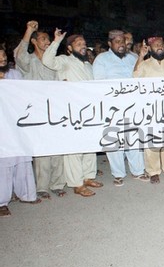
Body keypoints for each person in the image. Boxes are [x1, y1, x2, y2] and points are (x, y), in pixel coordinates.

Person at [42, 29, 103, 197]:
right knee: (75, 148)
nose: (83, 46)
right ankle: (77, 183)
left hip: (89, 112)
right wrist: (57, 41)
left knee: (90, 145)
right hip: (71, 112)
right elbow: (47, 60)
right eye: (78, 44)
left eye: (84, 44)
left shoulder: (88, 65)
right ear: (69, 48)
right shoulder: (64, 61)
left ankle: (88, 176)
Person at [14, 20, 67, 200]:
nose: (46, 42)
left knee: (58, 147)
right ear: (35, 42)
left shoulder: (52, 62)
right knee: (43, 150)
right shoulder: (29, 61)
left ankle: (58, 183)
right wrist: (29, 31)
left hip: (55, 109)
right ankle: (43, 186)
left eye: (48, 39)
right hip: (36, 111)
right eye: (43, 39)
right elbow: (19, 55)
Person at [93, 29, 149, 186]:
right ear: (110, 43)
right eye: (117, 42)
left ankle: (138, 171)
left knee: (134, 137)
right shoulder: (101, 59)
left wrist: (141, 58)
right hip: (113, 107)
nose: (121, 44)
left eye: (123, 41)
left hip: (133, 105)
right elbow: (99, 83)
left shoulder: (133, 58)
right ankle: (118, 174)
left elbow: (138, 76)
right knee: (114, 139)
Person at [133, 36, 164, 184]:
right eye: (156, 45)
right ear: (150, 49)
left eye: (161, 45)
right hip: (151, 110)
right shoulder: (145, 64)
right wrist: (140, 56)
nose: (159, 47)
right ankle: (153, 171)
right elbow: (134, 79)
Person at [1, 45, 40, 217]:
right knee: (4, 164)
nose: (2, 59)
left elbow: (24, 95)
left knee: (22, 158)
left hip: (16, 123)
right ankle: (2, 201)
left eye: (3, 56)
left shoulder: (15, 74)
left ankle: (26, 194)